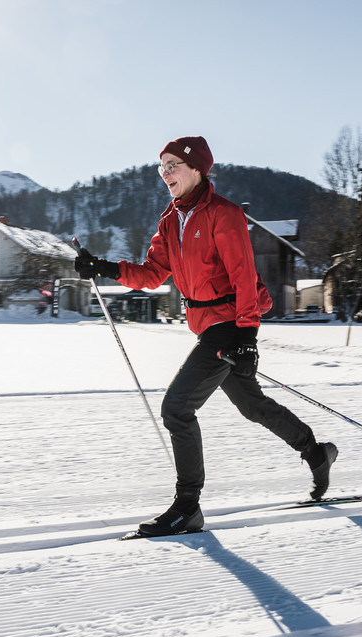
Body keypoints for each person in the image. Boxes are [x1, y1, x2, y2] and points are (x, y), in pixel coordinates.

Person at [74, 135, 338, 537]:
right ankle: (316, 453)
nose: (166, 174)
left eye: (173, 165)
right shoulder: (169, 221)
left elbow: (244, 277)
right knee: (253, 406)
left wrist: (247, 337)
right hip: (209, 326)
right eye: (161, 167)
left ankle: (187, 506)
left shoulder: (223, 214)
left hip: (230, 325)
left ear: (198, 168)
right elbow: (151, 274)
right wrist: (103, 267)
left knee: (177, 408)